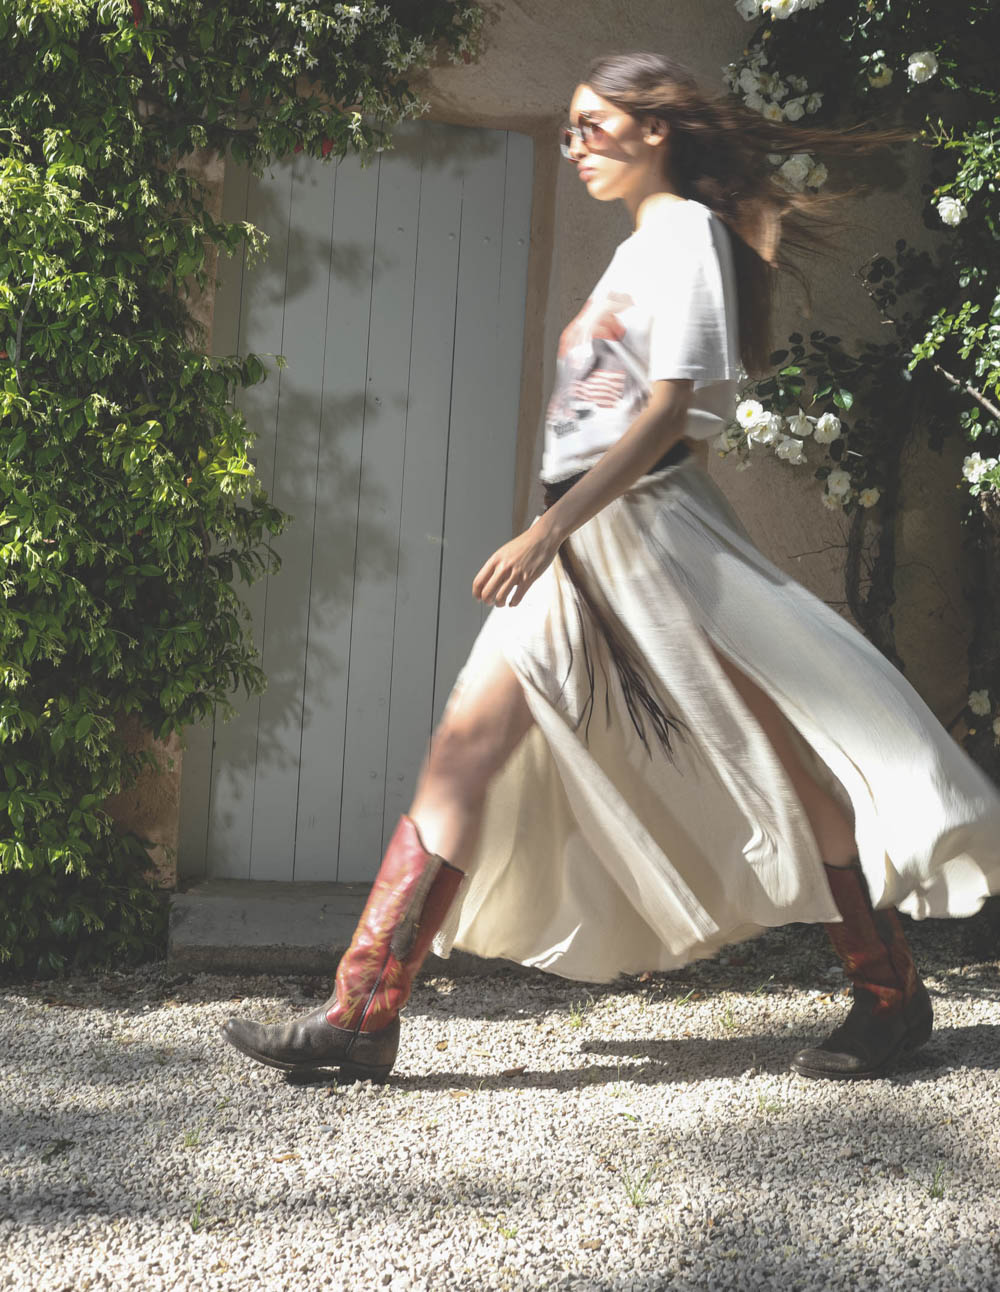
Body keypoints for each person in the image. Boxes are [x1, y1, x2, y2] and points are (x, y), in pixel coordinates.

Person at [222, 52, 1000, 1085]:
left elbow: (669, 412)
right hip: (579, 541)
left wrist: (548, 532)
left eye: (595, 125)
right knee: (465, 748)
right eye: (568, 130)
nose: (577, 144)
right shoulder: (644, 244)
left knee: (790, 766)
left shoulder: (681, 236)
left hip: (648, 539)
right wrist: (551, 531)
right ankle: (361, 1012)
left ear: (656, 130)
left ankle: (890, 996)